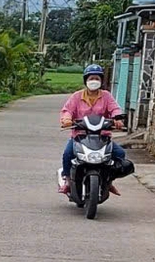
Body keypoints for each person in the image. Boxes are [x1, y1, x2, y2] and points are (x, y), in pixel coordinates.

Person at [58, 64, 135, 195]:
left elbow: (115, 109)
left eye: (97, 78)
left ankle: (109, 181)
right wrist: (66, 119)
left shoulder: (106, 96)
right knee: (67, 154)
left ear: (101, 80)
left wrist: (117, 119)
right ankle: (67, 180)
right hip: (80, 136)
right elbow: (67, 110)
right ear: (86, 80)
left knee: (120, 154)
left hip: (102, 136)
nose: (94, 81)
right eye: (91, 78)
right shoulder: (77, 96)